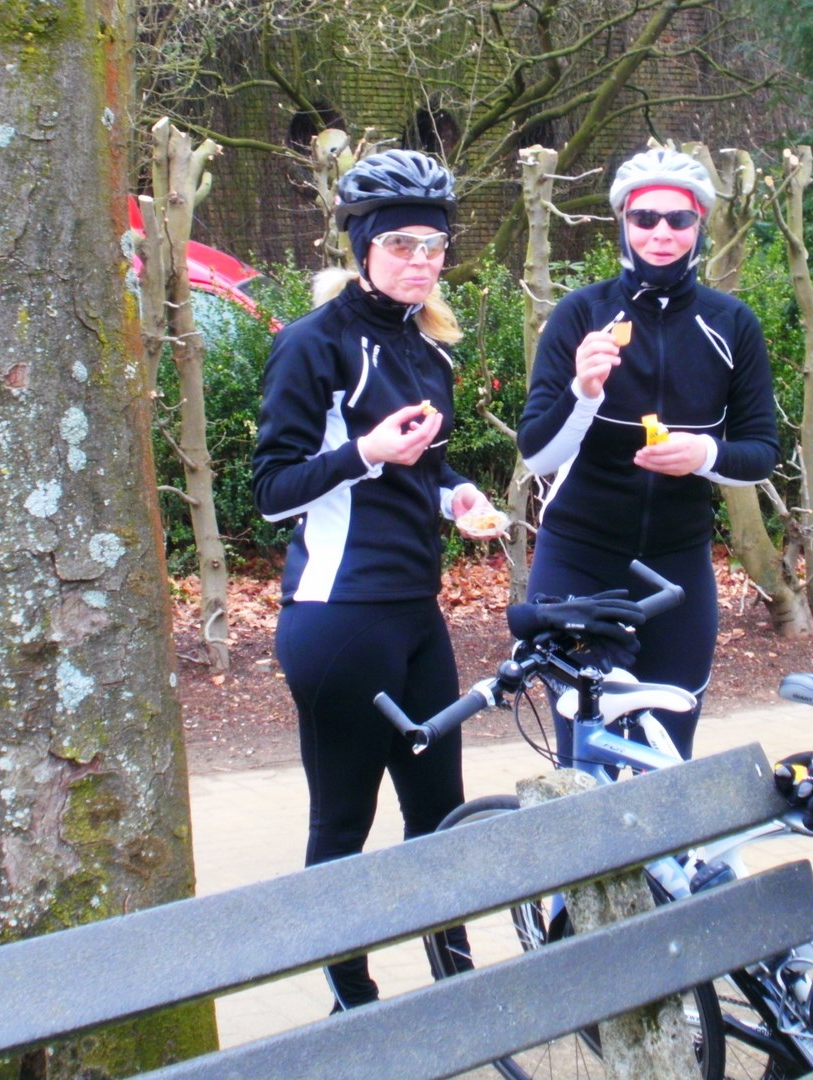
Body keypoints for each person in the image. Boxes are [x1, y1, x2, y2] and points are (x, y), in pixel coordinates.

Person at [252, 148, 491, 1011]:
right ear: (362, 248)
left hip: (416, 614)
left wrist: (457, 495)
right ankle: (353, 1007)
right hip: (339, 618)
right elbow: (272, 492)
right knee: (343, 825)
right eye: (401, 245)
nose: (421, 262)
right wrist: (365, 452)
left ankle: (457, 995)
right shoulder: (312, 345)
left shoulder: (428, 349)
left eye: (434, 246)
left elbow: (425, 465)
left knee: (441, 816)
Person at [517, 145, 780, 761]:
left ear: (699, 225)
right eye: (645, 217)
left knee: (669, 750)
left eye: (678, 219)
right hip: (579, 558)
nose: (661, 233)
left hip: (676, 565)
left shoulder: (731, 323)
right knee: (584, 753)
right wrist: (583, 391)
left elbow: (761, 450)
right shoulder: (582, 314)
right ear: (624, 223)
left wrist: (704, 454)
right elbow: (538, 455)